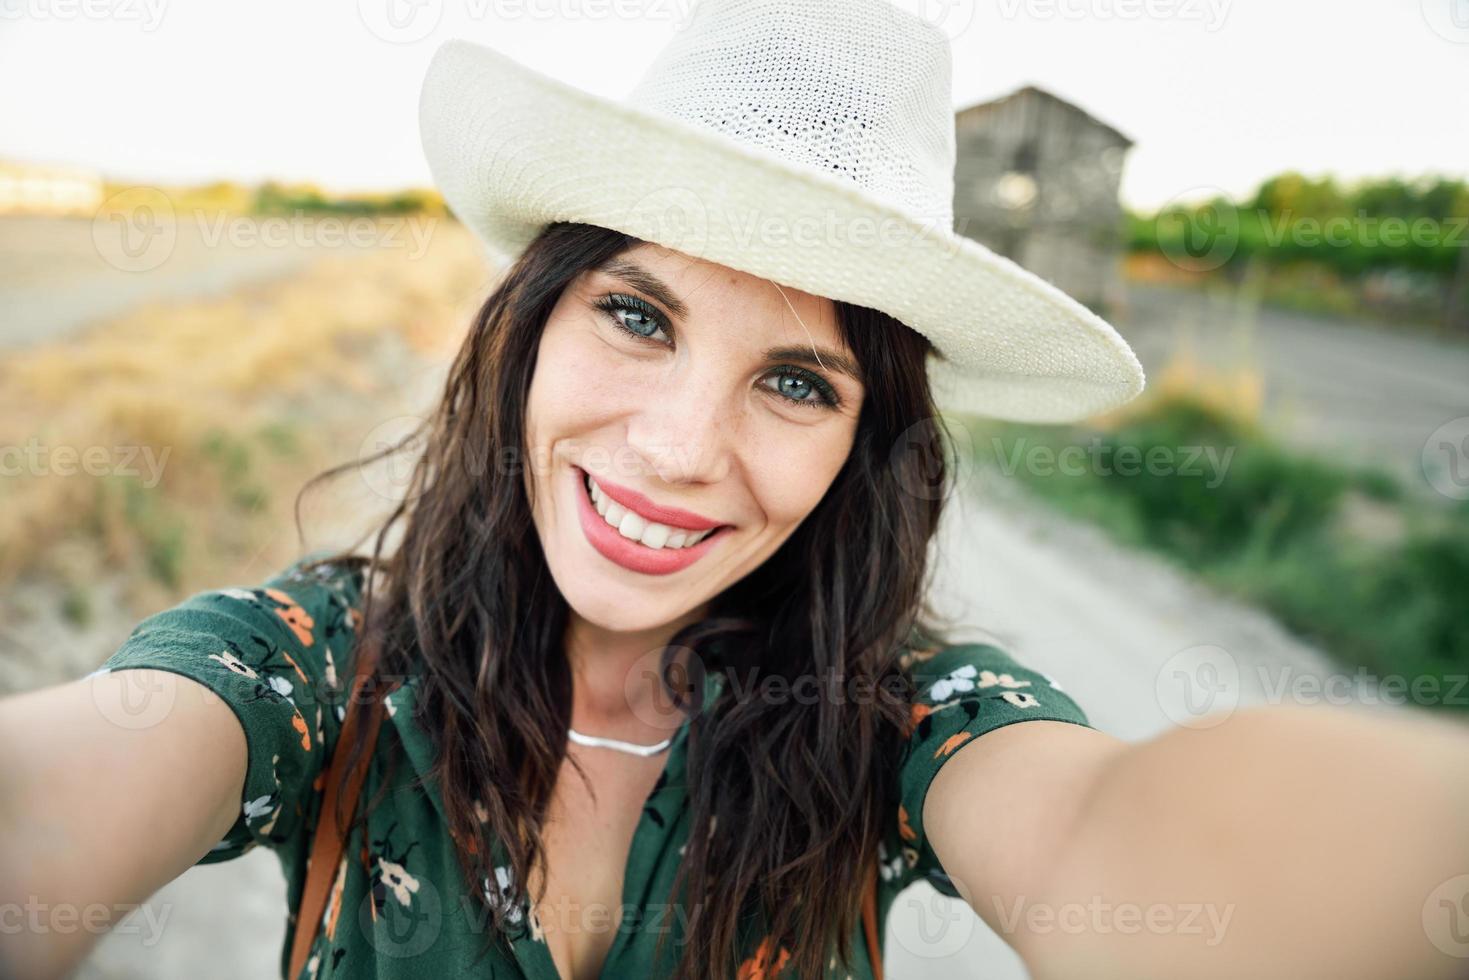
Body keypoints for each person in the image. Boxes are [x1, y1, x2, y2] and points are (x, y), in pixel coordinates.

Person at [4, 1, 1468, 979]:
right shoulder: (313, 667)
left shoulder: (901, 724)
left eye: (796, 381)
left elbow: (1116, 840)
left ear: (862, 446)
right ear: (528, 328)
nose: (677, 448)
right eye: (635, 317)